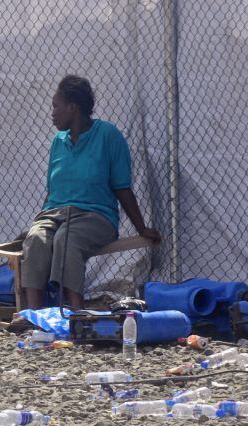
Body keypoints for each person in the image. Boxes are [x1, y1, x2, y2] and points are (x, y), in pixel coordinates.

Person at [20, 75, 161, 310]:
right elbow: (53, 191)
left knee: (67, 239)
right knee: (36, 239)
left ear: (73, 107)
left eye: (56, 106)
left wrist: (141, 228)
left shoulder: (108, 136)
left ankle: (75, 312)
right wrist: (39, 220)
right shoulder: (58, 141)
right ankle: (31, 315)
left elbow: (122, 188)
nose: (52, 113)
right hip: (55, 214)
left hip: (95, 217)